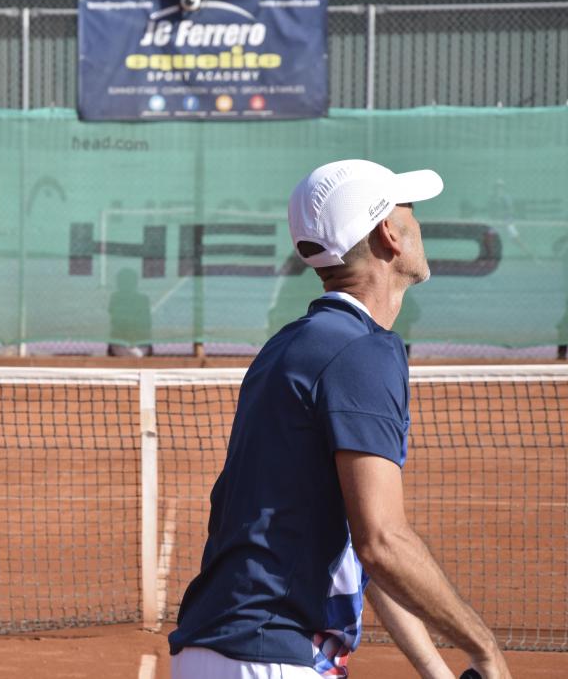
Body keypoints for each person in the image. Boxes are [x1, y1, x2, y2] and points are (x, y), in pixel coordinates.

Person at [169, 160, 510, 679]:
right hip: (272, 653)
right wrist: (484, 650)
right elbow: (383, 542)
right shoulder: (361, 352)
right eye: (409, 211)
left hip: (223, 649)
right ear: (389, 235)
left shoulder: (291, 346)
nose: (418, 223)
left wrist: (437, 670)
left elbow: (358, 547)